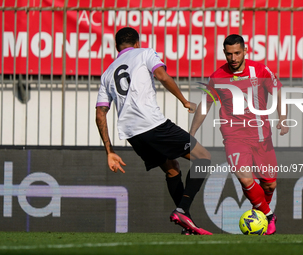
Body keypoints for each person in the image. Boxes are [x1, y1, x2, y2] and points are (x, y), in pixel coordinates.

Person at [95, 27, 212, 235]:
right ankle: (183, 209)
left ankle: (188, 226)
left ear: (116, 47)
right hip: (154, 126)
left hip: (133, 135)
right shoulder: (145, 53)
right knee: (203, 158)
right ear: (137, 43)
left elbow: (100, 114)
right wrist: (184, 101)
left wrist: (109, 151)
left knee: (172, 169)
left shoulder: (107, 73)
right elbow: (162, 76)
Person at [189, 34, 289, 235]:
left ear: (245, 51)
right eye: (229, 54)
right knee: (244, 178)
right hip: (234, 137)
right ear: (224, 53)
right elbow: (205, 106)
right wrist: (190, 134)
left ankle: (261, 212)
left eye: (237, 53)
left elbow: (278, 92)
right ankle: (268, 216)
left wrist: (283, 117)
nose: (233, 58)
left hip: (262, 137)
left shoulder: (260, 70)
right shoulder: (217, 77)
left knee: (269, 184)